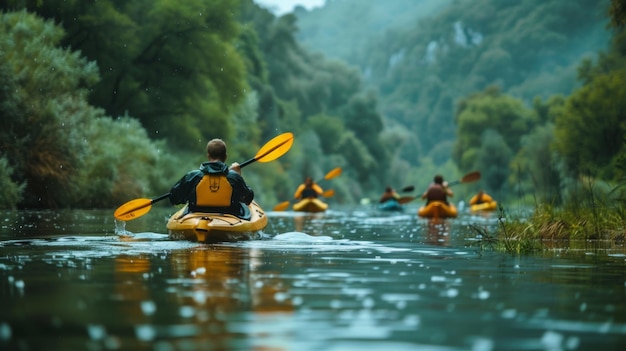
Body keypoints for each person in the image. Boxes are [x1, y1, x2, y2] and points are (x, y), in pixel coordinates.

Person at [169, 138, 254, 219]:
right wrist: (238, 175)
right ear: (225, 156)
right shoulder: (234, 177)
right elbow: (247, 198)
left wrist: (187, 196)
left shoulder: (193, 176)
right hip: (229, 216)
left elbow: (174, 197)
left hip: (196, 216)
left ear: (208, 155)